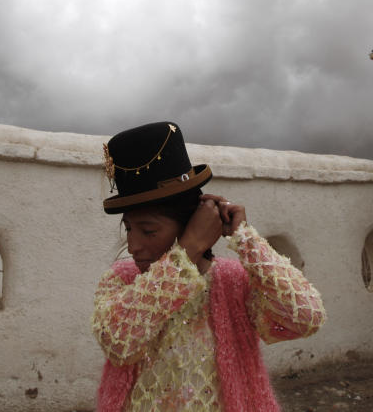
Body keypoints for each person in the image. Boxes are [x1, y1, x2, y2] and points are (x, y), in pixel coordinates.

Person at [92, 121, 326, 412]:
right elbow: (119, 342)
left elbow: (305, 317)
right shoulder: (121, 281)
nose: (133, 245)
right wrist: (186, 253)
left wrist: (245, 238)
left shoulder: (232, 282)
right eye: (128, 229)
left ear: (194, 224)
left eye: (148, 231)